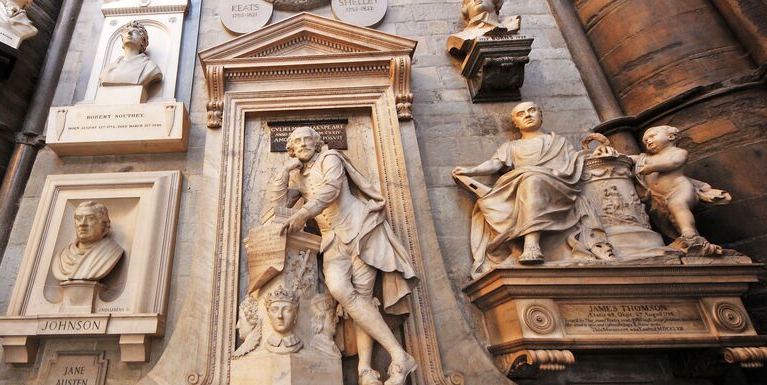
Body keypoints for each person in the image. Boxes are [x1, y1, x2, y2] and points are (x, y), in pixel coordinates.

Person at [268, 127, 416, 385]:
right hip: (332, 241)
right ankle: (399, 356)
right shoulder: (299, 178)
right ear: (290, 149)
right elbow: (277, 206)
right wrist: (283, 172)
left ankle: (365, 371)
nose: (303, 145)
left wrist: (303, 213)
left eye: (307, 140)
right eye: (297, 142)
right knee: (341, 291)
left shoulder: (330, 158)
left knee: (362, 299)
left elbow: (331, 188)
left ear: (317, 143)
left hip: (360, 232)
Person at [453, 102, 610, 278]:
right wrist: (470, 171)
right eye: (521, 114)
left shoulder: (558, 142)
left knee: (531, 179)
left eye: (532, 110)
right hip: (523, 185)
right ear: (515, 123)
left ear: (540, 115)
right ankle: (518, 245)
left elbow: (578, 160)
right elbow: (495, 163)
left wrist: (601, 151)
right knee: (503, 193)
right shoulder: (512, 147)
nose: (527, 115)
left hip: (558, 184)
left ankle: (531, 245)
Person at [631, 125, 730, 252]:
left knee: (678, 204)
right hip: (658, 197)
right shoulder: (645, 158)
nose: (648, 141)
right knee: (672, 220)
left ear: (671, 136)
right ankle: (688, 240)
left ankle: (689, 234)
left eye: (652, 136)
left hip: (679, 189)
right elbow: (629, 159)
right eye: (645, 141)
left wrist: (652, 168)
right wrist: (610, 151)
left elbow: (674, 163)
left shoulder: (679, 152)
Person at [51, 201, 125, 282]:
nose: (82, 224)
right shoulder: (62, 257)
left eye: (90, 218)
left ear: (104, 225)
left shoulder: (111, 252)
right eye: (79, 219)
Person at [99, 21, 162, 88]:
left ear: (143, 41)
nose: (129, 33)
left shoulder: (150, 68)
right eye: (126, 31)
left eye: (135, 32)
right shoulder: (107, 70)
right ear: (122, 39)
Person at [447, 0, 521, 56]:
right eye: (469, 0)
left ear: (495, 2)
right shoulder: (461, 37)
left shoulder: (511, 24)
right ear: (466, 10)